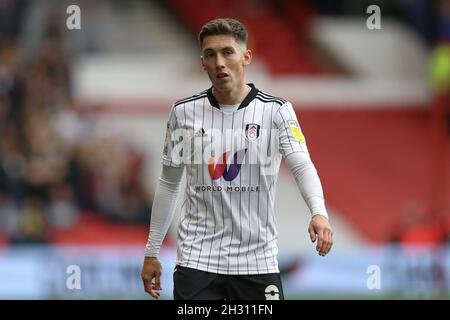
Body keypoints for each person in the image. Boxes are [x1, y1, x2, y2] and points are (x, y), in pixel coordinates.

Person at [141, 18, 333, 300]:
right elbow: (169, 184)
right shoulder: (183, 113)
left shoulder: (276, 112)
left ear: (246, 57)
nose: (219, 62)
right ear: (202, 63)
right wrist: (152, 251)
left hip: (257, 262)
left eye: (227, 52)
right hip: (197, 262)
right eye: (210, 54)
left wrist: (319, 212)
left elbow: (301, 164)